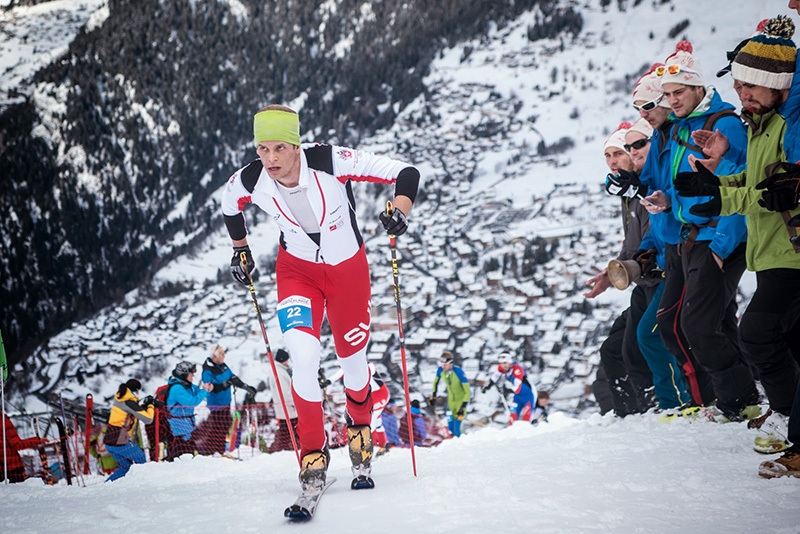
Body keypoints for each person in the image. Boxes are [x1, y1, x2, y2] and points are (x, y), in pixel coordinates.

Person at [221, 104, 419, 491]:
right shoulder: (250, 179)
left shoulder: (330, 160)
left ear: (296, 145)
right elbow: (230, 207)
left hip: (348, 271)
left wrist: (400, 209)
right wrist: (240, 250)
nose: (271, 159)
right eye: (263, 149)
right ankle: (313, 450)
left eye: (280, 148)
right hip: (296, 273)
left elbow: (405, 173)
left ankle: (359, 426)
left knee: (352, 360)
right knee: (304, 358)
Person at [674, 17, 800, 450]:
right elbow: (753, 181)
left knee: (756, 334)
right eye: (739, 85)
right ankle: (788, 417)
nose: (741, 93)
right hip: (769, 251)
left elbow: (774, 194)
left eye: (750, 86)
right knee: (785, 341)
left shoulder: (784, 127)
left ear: (777, 85)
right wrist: (718, 181)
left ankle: (784, 415)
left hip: (790, 251)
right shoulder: (761, 127)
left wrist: (720, 193)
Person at [646, 40, 759, 421]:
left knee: (696, 323)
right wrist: (667, 202)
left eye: (679, 92)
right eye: (667, 94)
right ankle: (744, 395)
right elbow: (687, 184)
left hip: (717, 238)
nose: (672, 100)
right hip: (689, 238)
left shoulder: (724, 124)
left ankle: (738, 398)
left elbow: (742, 182)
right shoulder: (685, 126)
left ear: (698, 89)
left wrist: (723, 244)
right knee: (714, 322)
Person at [587, 122, 656, 416]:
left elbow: (651, 244)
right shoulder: (628, 195)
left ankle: (648, 408)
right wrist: (612, 272)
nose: (613, 161)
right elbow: (632, 244)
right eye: (608, 155)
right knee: (615, 348)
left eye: (619, 153)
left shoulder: (644, 190)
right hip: (644, 283)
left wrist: (627, 268)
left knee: (640, 343)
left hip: (657, 280)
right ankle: (629, 412)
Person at [623, 118, 692, 410]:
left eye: (640, 143)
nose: (632, 151)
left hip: (682, 260)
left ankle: (677, 400)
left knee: (655, 333)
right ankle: (678, 399)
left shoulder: (657, 179)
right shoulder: (641, 188)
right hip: (666, 264)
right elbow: (655, 231)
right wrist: (645, 253)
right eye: (628, 147)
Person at [197, 344, 256, 456]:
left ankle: (220, 452)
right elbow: (209, 388)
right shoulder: (208, 371)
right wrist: (223, 385)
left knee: (224, 428)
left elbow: (232, 377)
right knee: (217, 430)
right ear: (215, 356)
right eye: (222, 354)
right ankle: (214, 453)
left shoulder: (222, 366)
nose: (224, 356)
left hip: (226, 403)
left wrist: (246, 387)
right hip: (216, 405)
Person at [104, 378, 154, 482]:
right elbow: (148, 419)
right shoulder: (128, 402)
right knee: (141, 459)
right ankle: (143, 482)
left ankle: (106, 485)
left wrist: (142, 404)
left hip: (109, 439)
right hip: (119, 438)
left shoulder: (120, 398)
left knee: (125, 466)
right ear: (136, 390)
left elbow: (133, 407)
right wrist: (150, 405)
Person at [165, 361, 213, 460]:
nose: (193, 376)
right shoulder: (177, 388)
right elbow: (191, 402)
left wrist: (206, 390)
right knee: (181, 459)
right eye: (191, 374)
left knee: (189, 457)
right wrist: (204, 391)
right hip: (178, 431)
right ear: (184, 374)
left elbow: (198, 392)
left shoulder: (187, 385)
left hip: (186, 430)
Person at [484, 353, 536, 423]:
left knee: (526, 419)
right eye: (501, 363)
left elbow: (517, 387)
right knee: (512, 417)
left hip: (529, 396)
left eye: (505, 363)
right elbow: (495, 377)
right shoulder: (501, 369)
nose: (503, 365)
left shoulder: (517, 370)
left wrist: (506, 390)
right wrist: (488, 386)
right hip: (517, 397)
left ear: (510, 362)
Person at [429, 351, 471, 437]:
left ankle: (463, 443)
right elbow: (435, 383)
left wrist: (462, 408)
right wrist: (433, 396)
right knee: (450, 429)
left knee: (456, 429)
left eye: (445, 365)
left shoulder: (459, 372)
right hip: (450, 403)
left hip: (460, 403)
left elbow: (467, 391)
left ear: (450, 364)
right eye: (442, 364)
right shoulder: (440, 370)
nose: (443, 366)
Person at [266, 349, 299, 453]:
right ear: (283, 360)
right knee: (288, 430)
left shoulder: (278, 370)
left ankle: (284, 449)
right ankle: (282, 449)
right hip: (288, 408)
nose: (288, 362)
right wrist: (294, 403)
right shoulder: (279, 372)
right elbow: (285, 392)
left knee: (286, 430)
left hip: (284, 408)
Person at [1, 412, 45, 483]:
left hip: (3, 468)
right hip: (11, 468)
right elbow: (17, 444)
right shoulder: (3, 421)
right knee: (18, 492)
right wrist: (37, 441)